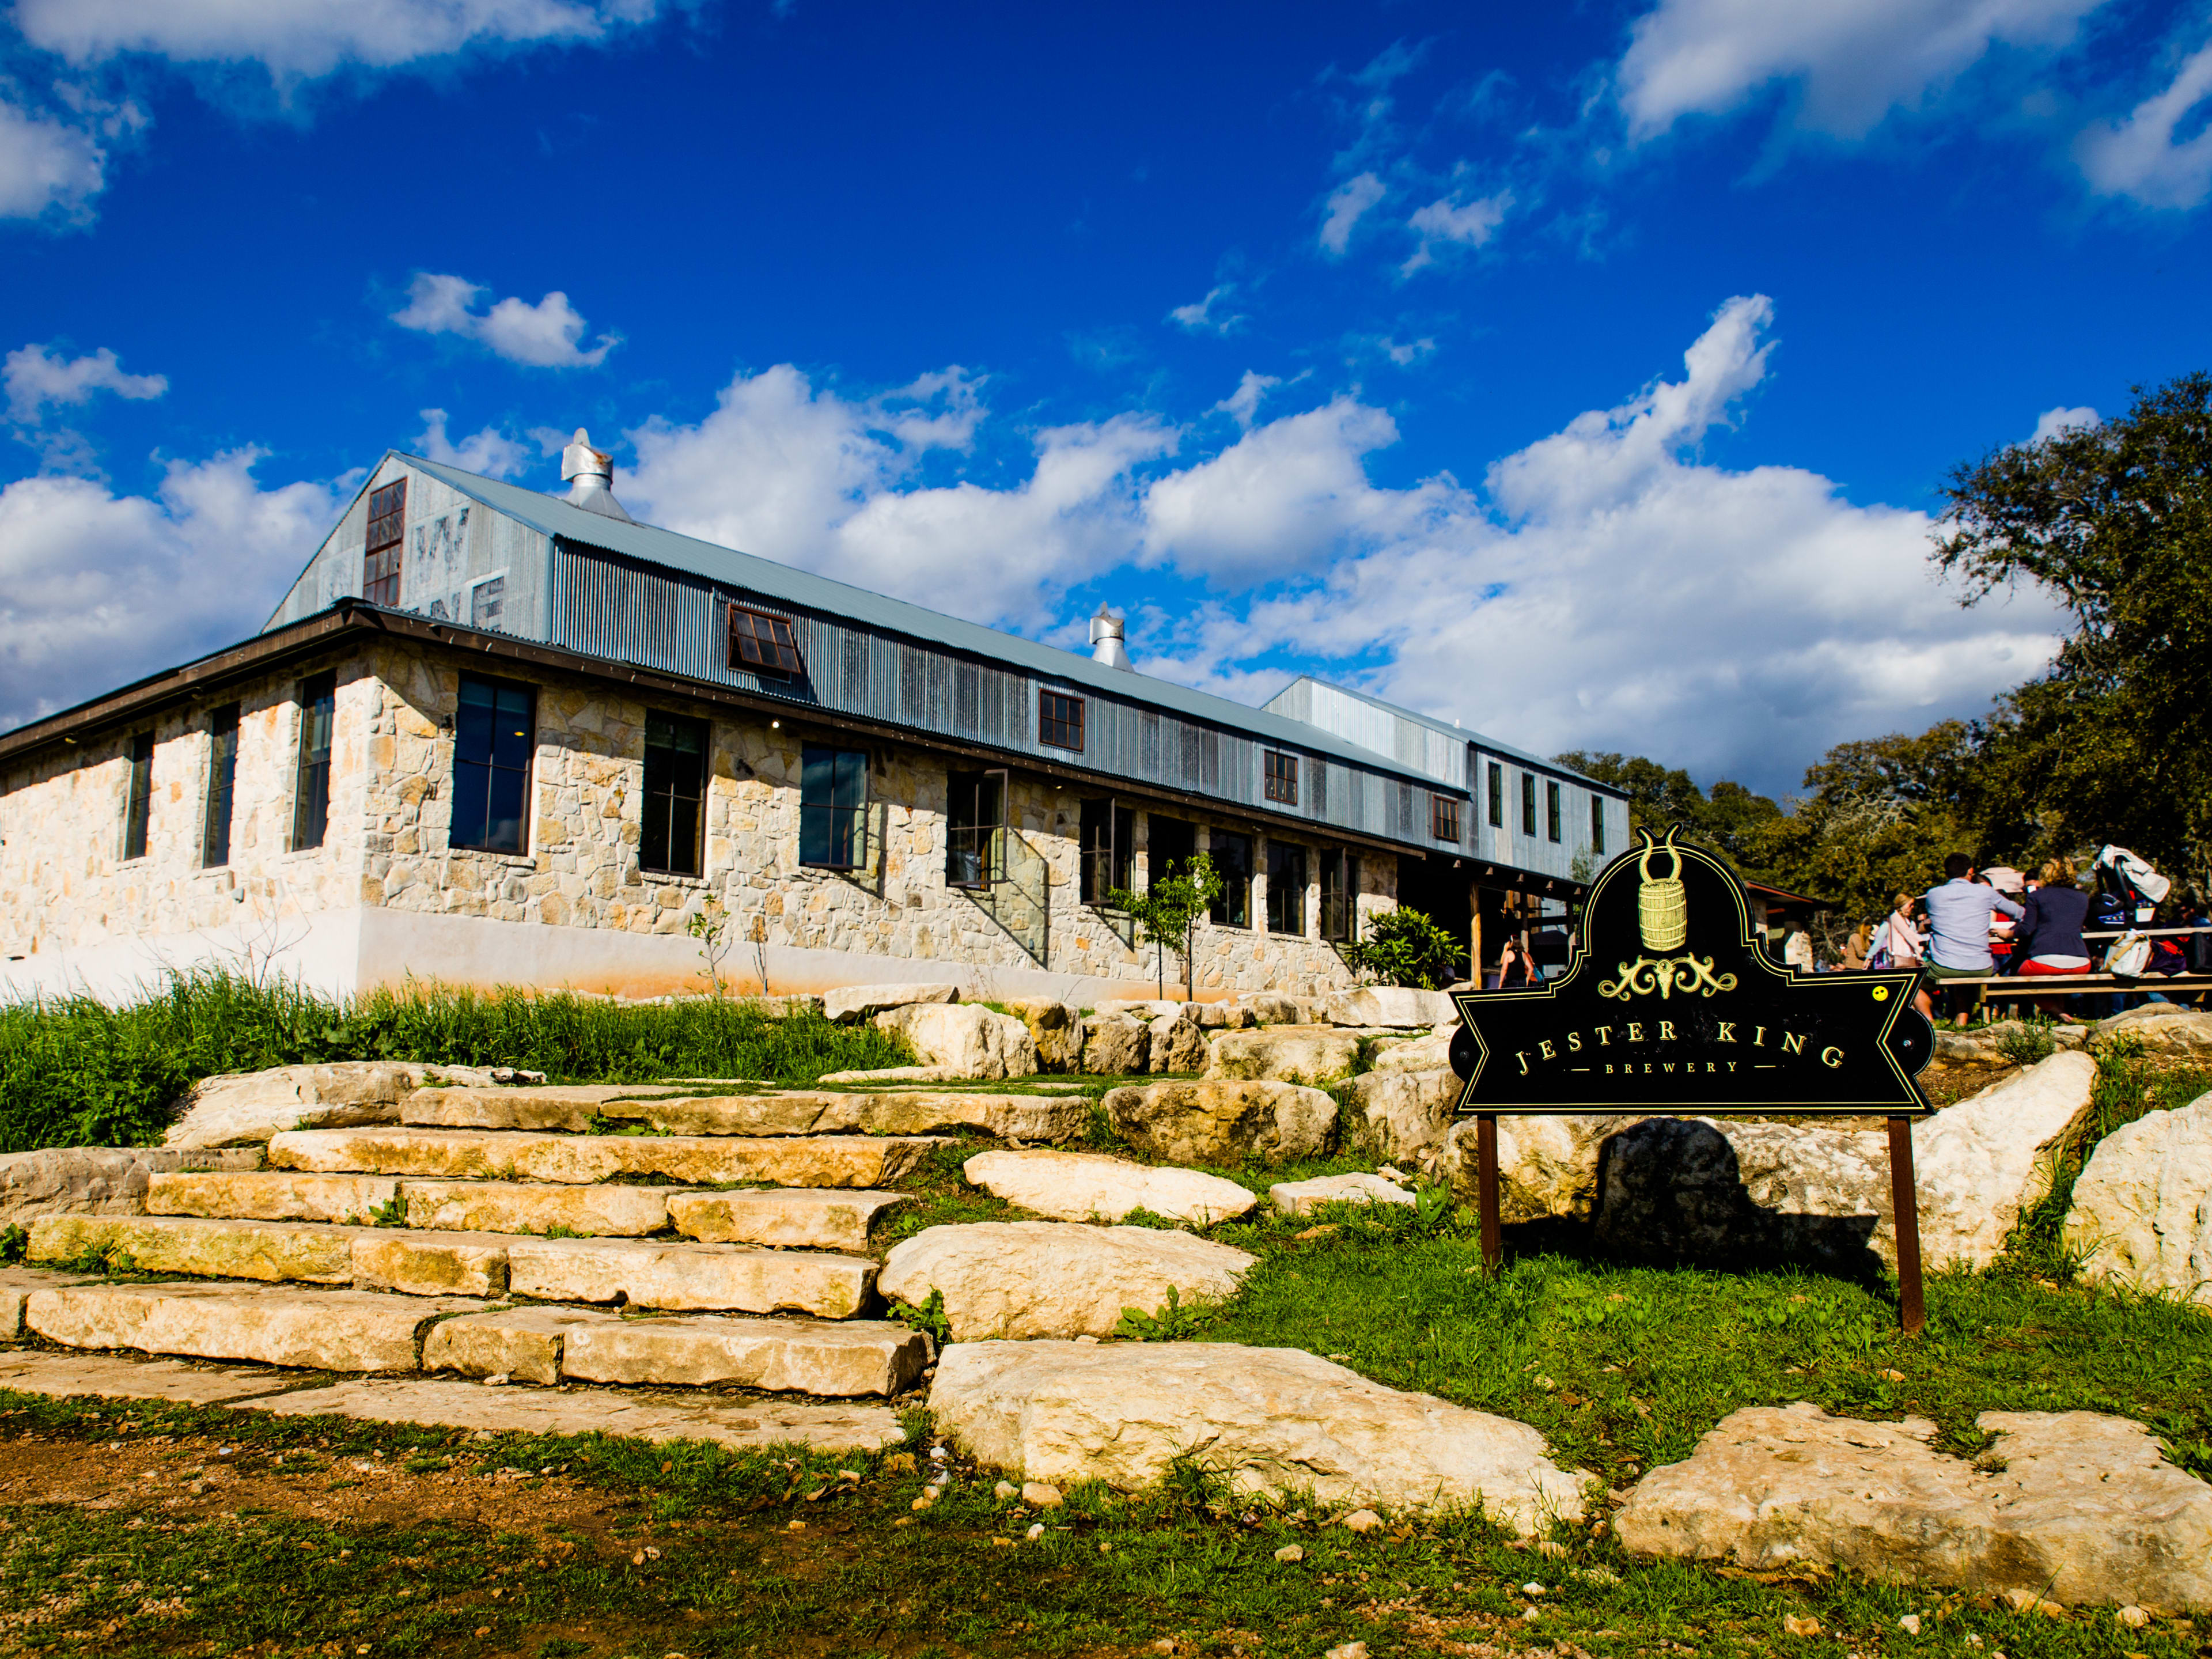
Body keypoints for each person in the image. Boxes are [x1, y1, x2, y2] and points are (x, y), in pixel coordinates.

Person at [1923, 853, 2026, 1028]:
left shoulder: (1933, 895)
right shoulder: (1985, 892)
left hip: (1944, 966)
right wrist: (2010, 932)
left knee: (1912, 981)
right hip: (1982, 966)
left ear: (1946, 873)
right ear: (1970, 871)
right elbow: (2021, 914)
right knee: (1964, 969)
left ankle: (1928, 1021)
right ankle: (1961, 1020)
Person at [2013, 856, 2093, 1022]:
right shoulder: (2082, 898)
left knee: (2019, 979)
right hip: (2081, 961)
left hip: (2044, 959)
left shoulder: (2037, 897)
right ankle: (2062, 1015)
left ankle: (2059, 1013)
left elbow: (2027, 930)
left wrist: (2007, 934)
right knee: (2057, 982)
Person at [1869, 891, 1932, 1017]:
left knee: (1908, 991)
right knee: (1912, 989)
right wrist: (1869, 957)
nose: (1912, 907)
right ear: (1902, 904)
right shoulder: (1894, 918)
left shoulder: (1910, 922)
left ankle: (1917, 1016)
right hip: (1899, 959)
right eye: (1910, 905)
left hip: (1910, 959)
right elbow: (1880, 941)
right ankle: (1927, 1017)